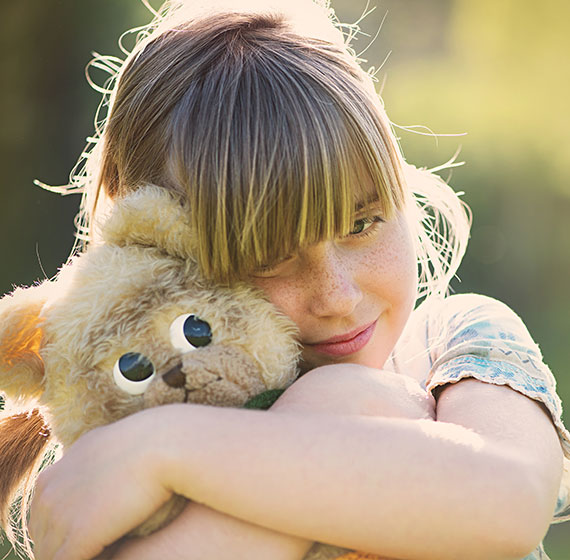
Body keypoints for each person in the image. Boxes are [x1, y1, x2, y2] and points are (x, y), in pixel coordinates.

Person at [27, 1, 570, 559]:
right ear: (152, 255)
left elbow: (511, 497)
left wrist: (166, 451)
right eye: (267, 256)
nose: (337, 295)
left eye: (362, 223)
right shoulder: (115, 465)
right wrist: (342, 409)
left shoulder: (448, 347)